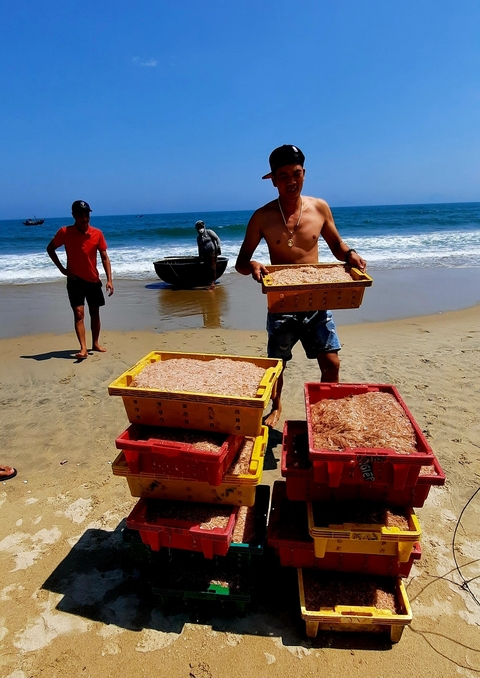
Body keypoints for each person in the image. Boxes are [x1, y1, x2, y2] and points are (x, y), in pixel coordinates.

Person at [235, 145, 367, 427]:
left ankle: (324, 413)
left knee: (332, 364)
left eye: (296, 173)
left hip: (317, 301)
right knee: (277, 365)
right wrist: (254, 266)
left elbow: (337, 246)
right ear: (272, 179)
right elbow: (241, 262)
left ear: (304, 173)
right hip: (282, 303)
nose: (290, 181)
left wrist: (350, 254)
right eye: (282, 176)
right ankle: (277, 406)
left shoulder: (319, 208)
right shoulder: (262, 217)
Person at [46, 200, 114, 360]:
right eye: (81, 215)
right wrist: (62, 269)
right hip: (75, 280)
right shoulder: (65, 232)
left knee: (95, 312)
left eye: (86, 214)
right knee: (79, 314)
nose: (84, 218)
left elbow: (105, 257)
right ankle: (83, 349)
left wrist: (110, 280)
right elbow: (50, 249)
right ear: (74, 215)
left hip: (93, 279)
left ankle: (95, 343)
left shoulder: (97, 233)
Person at [195, 220, 221, 290]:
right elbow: (199, 247)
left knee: (212, 267)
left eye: (201, 227)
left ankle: (212, 283)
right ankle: (209, 281)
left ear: (204, 226)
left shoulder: (209, 232)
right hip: (204, 253)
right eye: (198, 227)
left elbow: (217, 238)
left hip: (212, 252)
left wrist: (218, 247)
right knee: (207, 268)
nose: (200, 229)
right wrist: (200, 256)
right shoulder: (198, 238)